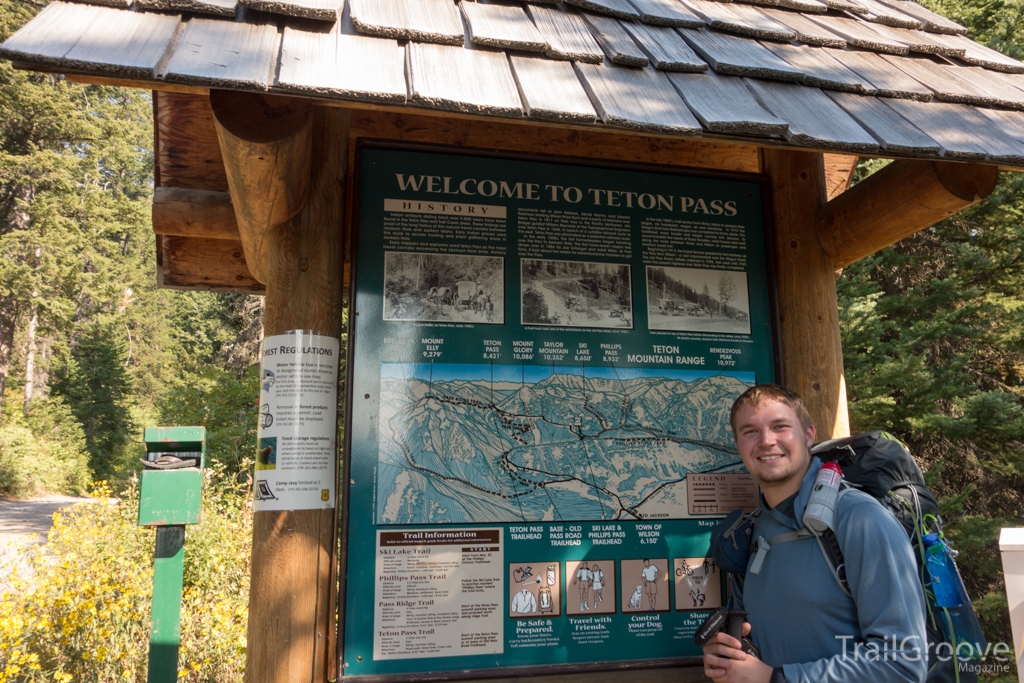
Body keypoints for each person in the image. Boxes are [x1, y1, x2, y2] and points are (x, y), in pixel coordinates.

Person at [702, 384, 927, 683]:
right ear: (738, 443)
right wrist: (727, 653)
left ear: (809, 434)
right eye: (750, 431)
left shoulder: (859, 518)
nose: (767, 441)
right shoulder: (754, 531)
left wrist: (776, 678)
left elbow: (903, 665)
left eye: (780, 426)